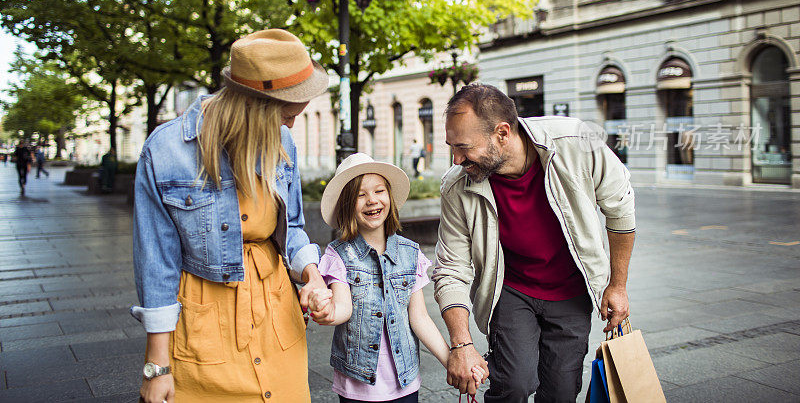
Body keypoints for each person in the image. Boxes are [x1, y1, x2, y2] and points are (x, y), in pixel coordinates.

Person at [131, 29, 331, 403]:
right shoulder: (166, 150)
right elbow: (156, 263)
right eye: (287, 115)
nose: (290, 127)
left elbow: (295, 230)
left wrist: (313, 276)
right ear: (256, 108)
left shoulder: (283, 144)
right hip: (204, 334)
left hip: (277, 324)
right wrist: (157, 368)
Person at [433, 83, 636, 402]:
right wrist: (462, 344)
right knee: (513, 384)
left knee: (561, 391)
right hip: (511, 290)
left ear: (502, 133)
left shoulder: (574, 141)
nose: (457, 158)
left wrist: (618, 285)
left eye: (464, 147)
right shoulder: (457, 186)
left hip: (571, 291)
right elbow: (451, 269)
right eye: (451, 146)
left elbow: (620, 209)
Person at [308, 153, 484, 403]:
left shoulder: (410, 254)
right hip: (357, 385)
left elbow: (420, 318)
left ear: (389, 197)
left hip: (405, 381)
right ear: (348, 205)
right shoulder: (339, 255)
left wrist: (455, 364)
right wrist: (325, 311)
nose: (372, 200)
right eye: (360, 195)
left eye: (379, 191)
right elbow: (343, 309)